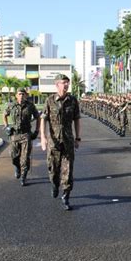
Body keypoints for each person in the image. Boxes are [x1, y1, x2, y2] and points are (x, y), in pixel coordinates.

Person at [40, 74, 81, 211]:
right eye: (63, 83)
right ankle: (54, 184)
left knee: (68, 171)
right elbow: (43, 119)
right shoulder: (49, 100)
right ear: (57, 85)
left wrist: (78, 137)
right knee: (53, 169)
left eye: (67, 82)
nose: (66, 85)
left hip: (68, 141)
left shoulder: (73, 100)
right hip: (54, 142)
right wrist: (43, 137)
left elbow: (77, 119)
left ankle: (66, 196)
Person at [2, 87, 40, 186]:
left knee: (25, 157)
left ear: (26, 95)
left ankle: (23, 176)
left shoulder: (30, 106)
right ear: (16, 95)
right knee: (14, 156)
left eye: (23, 94)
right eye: (19, 94)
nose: (21, 95)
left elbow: (38, 117)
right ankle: (17, 167)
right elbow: (4, 115)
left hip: (26, 134)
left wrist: (36, 131)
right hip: (14, 134)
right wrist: (6, 126)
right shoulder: (11, 105)